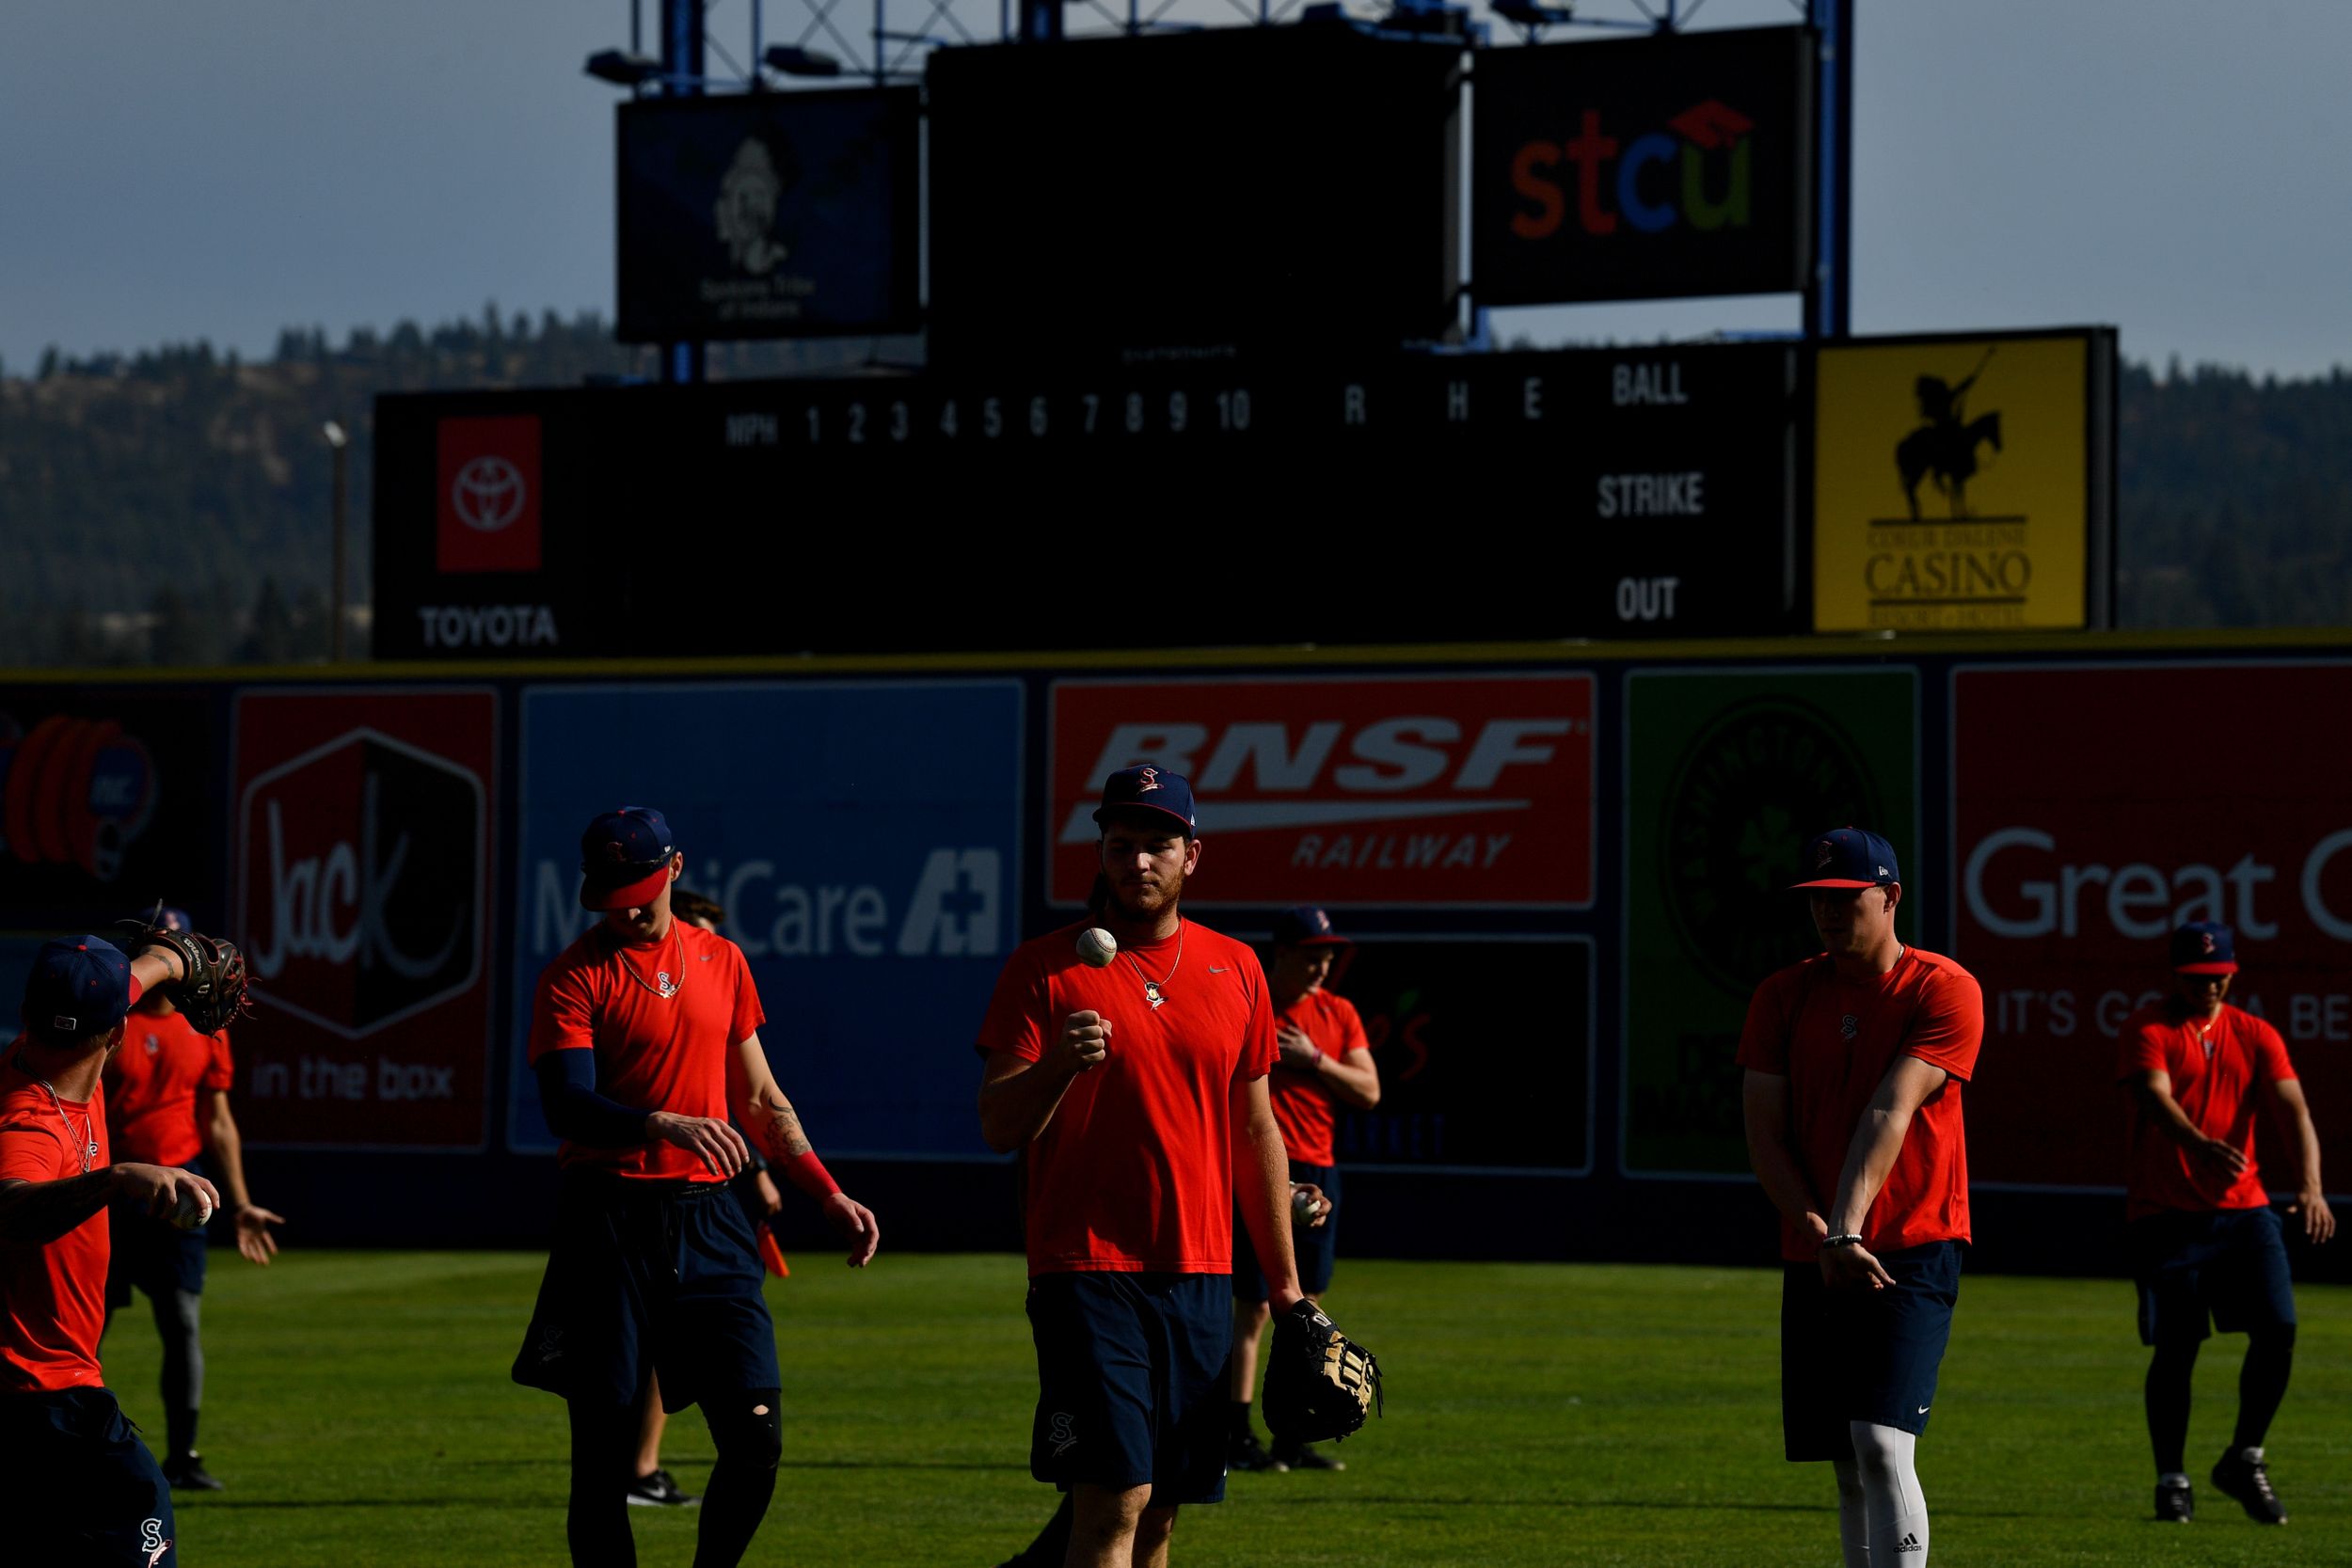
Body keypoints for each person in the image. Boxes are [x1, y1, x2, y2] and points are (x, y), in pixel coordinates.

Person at [513, 806, 880, 1568]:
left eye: (642, 887)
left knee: (757, 1439)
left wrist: (826, 1190)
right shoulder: (575, 975)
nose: (629, 906)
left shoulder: (723, 961)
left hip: (713, 1224)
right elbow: (566, 1104)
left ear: (675, 869)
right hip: (608, 1224)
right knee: (602, 1467)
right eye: (612, 891)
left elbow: (762, 1099)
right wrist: (660, 1122)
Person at [977, 765, 1306, 1568]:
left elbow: (1256, 1129)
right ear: (1102, 852)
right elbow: (997, 1124)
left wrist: (1286, 1285)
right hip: (1086, 1268)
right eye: (1120, 844)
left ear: (1192, 854)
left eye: (1158, 844)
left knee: (1161, 1512)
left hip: (1198, 1273)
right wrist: (1057, 1064)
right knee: (1111, 1503)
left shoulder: (1237, 969)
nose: (1138, 862)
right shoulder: (1045, 968)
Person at [1739, 827, 1983, 1568]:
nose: (1831, 914)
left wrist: (1844, 1231)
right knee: (1847, 1462)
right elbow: (1764, 1134)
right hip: (1818, 1251)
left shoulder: (1944, 987)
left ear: (1891, 896)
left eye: (1848, 898)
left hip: (1909, 1246)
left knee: (1881, 1442)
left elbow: (1891, 1107)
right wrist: (1819, 1233)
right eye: (1819, 901)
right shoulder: (1783, 994)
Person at [0, 931, 228, 1565]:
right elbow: (11, 1207)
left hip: (39, 1396)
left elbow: (128, 978)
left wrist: (174, 961)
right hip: (44, 1399)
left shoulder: (37, 1050)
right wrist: (119, 1175)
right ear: (118, 1035)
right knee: (141, 1521)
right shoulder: (29, 1122)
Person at [2118, 921, 2332, 1527]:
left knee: (2280, 1327)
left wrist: (2312, 1189)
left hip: (2244, 1210)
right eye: (2195, 978)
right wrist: (2199, 1142)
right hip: (2168, 1216)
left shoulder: (2255, 1033)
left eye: (2216, 978)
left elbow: (2295, 1110)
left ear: (2233, 974)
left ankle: (2245, 1455)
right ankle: (2172, 1480)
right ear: (2176, 976)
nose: (2207, 988)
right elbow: (2156, 1098)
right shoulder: (2150, 1027)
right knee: (2178, 1349)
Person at [100, 904, 284, 1493]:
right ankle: (68, 1447)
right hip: (108, 1187)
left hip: (184, 1186)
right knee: (84, 1328)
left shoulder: (206, 1029)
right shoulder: (110, 1022)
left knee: (181, 1322)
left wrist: (242, 1202)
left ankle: (185, 1456)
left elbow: (219, 1120)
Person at [622, 885, 788, 1512]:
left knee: (684, 1358)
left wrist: (763, 1169)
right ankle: (636, 1467)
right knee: (649, 1353)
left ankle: (639, 1466)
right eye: (692, 926)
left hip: (706, 1196)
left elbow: (742, 1098)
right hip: (635, 1203)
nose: (700, 941)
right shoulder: (634, 991)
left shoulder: (715, 981)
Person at [1229, 905, 1378, 1474]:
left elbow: (1369, 1091)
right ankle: (1237, 1433)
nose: (1321, 965)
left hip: (1319, 1168)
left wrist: (1315, 1059)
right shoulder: (1252, 1004)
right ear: (1283, 954)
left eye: (1327, 955)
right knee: (1253, 1310)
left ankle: (1292, 1433)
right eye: (1312, 954)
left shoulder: (1337, 1013)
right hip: (1263, 1168)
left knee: (1307, 1307)